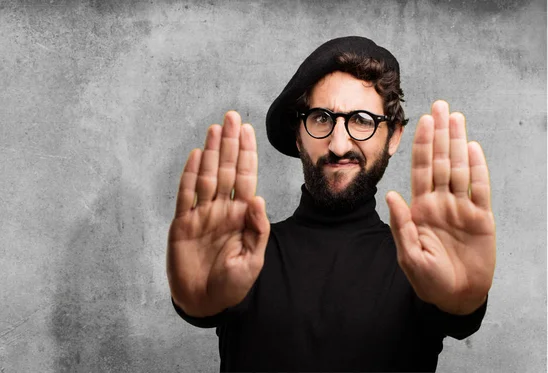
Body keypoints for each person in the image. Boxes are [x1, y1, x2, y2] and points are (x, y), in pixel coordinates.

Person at [166, 36, 496, 372]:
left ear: (393, 135)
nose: (339, 145)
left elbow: (457, 306)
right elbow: (204, 297)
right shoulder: (239, 255)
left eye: (362, 120)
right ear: (298, 134)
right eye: (321, 118)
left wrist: (464, 299)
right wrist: (197, 299)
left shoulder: (424, 261)